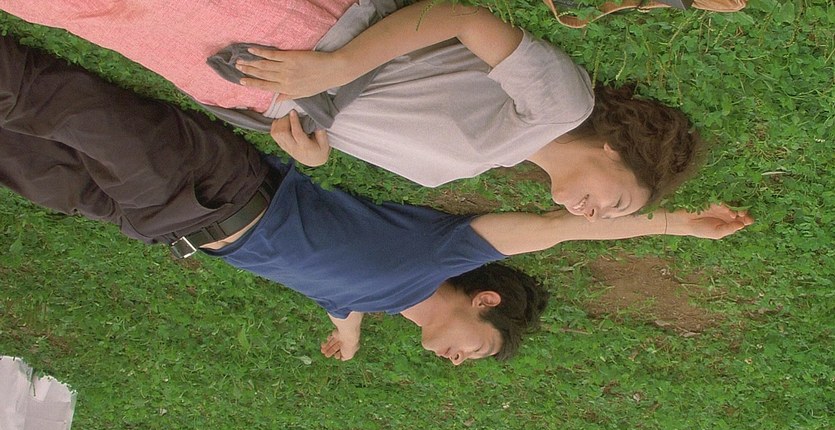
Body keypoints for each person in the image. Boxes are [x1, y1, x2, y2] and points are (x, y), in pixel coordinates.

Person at [0, 36, 751, 365]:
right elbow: (563, 232)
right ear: (485, 300)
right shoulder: (443, 253)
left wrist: (350, 336)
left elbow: (339, 295)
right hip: (214, 186)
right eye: (478, 348)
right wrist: (678, 224)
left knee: (21, 163)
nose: (458, 360)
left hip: (156, 223)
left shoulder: (377, 300)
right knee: (52, 103)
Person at [2, 0, 699, 220]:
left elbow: (369, 123)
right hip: (304, 36)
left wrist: (315, 150)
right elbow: (461, 18)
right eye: (617, 201)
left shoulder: (499, 160)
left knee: (82, 12)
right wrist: (338, 67)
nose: (595, 214)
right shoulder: (562, 106)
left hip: (257, 83)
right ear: (615, 152)